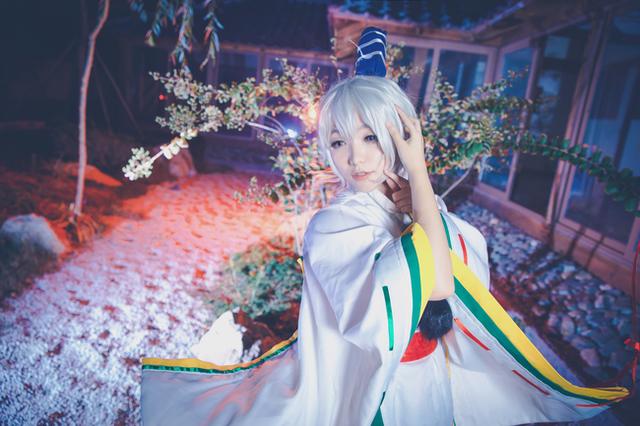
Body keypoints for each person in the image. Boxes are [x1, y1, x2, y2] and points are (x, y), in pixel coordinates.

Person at [140, 27, 628, 425]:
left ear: (401, 135)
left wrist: (421, 194)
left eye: (371, 137)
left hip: (431, 377)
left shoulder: (421, 205)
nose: (354, 158)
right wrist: (419, 182)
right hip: (375, 389)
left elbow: (463, 282)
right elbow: (439, 285)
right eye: (338, 142)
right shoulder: (331, 227)